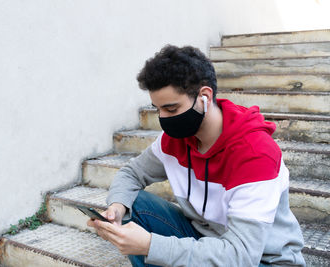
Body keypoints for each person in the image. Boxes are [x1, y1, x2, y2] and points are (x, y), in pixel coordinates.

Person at [87, 45, 306, 267]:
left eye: (171, 110)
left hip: (263, 260)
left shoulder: (255, 153)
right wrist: (116, 207)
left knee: (152, 245)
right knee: (133, 204)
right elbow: (132, 173)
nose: (163, 118)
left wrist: (149, 245)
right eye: (158, 109)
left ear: (204, 96)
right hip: (205, 238)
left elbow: (240, 256)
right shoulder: (175, 139)